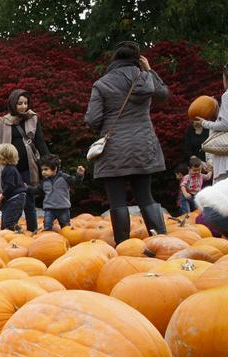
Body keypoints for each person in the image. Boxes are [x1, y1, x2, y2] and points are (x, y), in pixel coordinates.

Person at [85, 41, 170, 244]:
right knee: (145, 196)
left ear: (115, 58)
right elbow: (163, 94)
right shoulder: (145, 78)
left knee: (117, 201)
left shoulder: (102, 84)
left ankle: (123, 245)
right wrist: (149, 70)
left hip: (114, 148)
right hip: (143, 145)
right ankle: (161, 243)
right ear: (138, 59)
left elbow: (93, 119)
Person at [0, 90, 50, 232]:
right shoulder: (2, 122)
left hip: (27, 168)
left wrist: (49, 161)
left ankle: (32, 231)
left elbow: (40, 142)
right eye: (20, 103)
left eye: (26, 103)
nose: (24, 106)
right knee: (8, 200)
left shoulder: (33, 118)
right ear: (13, 104)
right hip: (9, 169)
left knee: (29, 202)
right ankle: (8, 231)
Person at [38, 154, 85, 231]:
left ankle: (66, 237)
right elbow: (38, 190)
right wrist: (28, 189)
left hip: (63, 208)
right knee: (47, 225)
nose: (43, 172)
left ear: (55, 168)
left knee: (65, 227)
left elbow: (75, 182)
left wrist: (79, 175)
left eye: (46, 169)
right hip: (49, 209)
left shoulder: (64, 177)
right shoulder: (44, 182)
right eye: (42, 170)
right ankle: (48, 236)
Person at [0, 144, 31, 231]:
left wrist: (2, 195)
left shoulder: (8, 170)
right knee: (5, 223)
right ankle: (9, 235)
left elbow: (10, 186)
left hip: (16, 199)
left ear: (2, 156)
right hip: (14, 199)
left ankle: (18, 235)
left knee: (9, 223)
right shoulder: (11, 168)